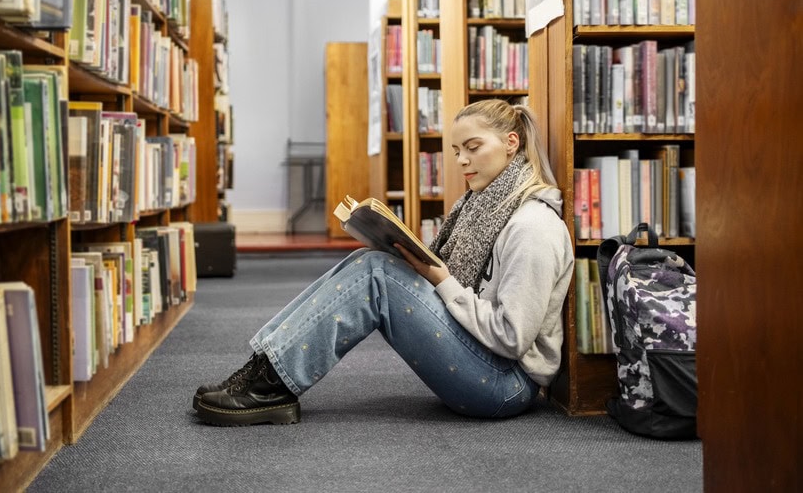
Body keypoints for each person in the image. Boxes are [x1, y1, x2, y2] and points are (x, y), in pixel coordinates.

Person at [193, 99, 574, 426]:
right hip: (482, 360)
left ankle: (268, 385)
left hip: (505, 385)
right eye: (457, 150)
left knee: (376, 273)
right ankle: (264, 368)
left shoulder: (532, 226)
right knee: (369, 259)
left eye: (473, 147)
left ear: (512, 143)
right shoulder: (484, 206)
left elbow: (512, 338)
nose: (462, 160)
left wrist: (440, 278)